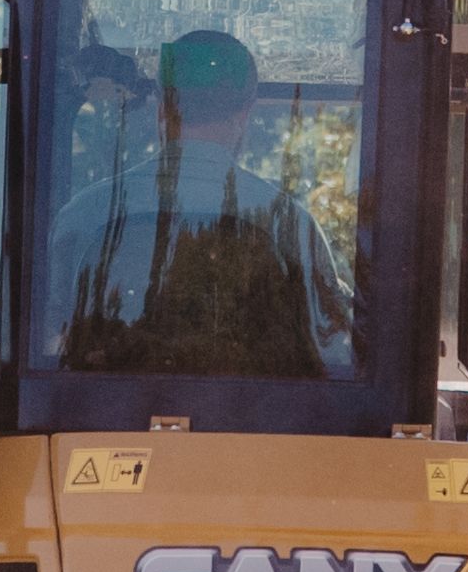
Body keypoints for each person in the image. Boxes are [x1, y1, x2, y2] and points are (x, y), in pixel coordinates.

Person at [53, 23, 353, 378]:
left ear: (162, 109)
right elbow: (333, 353)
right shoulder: (289, 224)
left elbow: (53, 343)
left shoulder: (85, 216)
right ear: (245, 114)